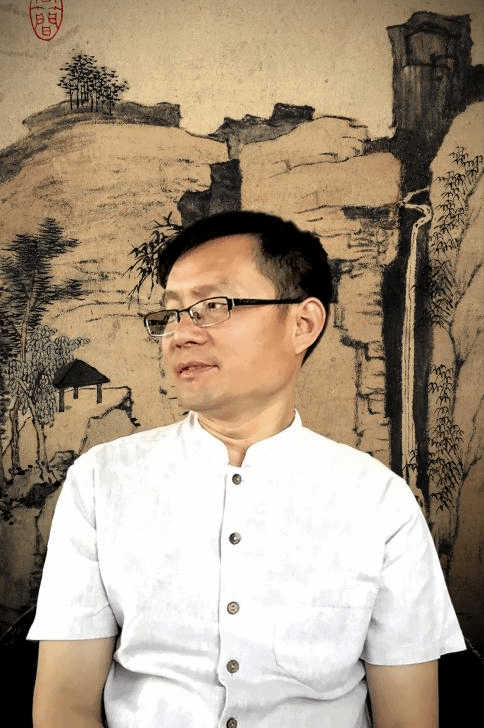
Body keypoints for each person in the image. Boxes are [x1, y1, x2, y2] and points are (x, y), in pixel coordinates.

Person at [28, 210, 465, 728]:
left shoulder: (379, 502)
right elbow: (64, 706)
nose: (180, 335)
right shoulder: (102, 481)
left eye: (213, 306)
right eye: (172, 314)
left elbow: (408, 719)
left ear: (303, 323)